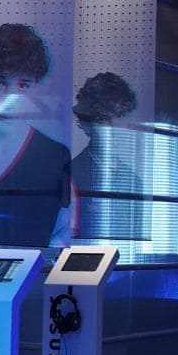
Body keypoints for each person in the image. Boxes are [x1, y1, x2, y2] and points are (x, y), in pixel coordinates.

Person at [0, 24, 71, 248]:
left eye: (23, 85)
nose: (10, 99)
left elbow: (61, 233)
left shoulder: (56, 157)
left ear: (36, 88)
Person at [70, 72, 146, 240]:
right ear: (87, 125)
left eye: (119, 116)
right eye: (104, 120)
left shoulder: (135, 182)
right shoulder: (71, 176)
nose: (113, 127)